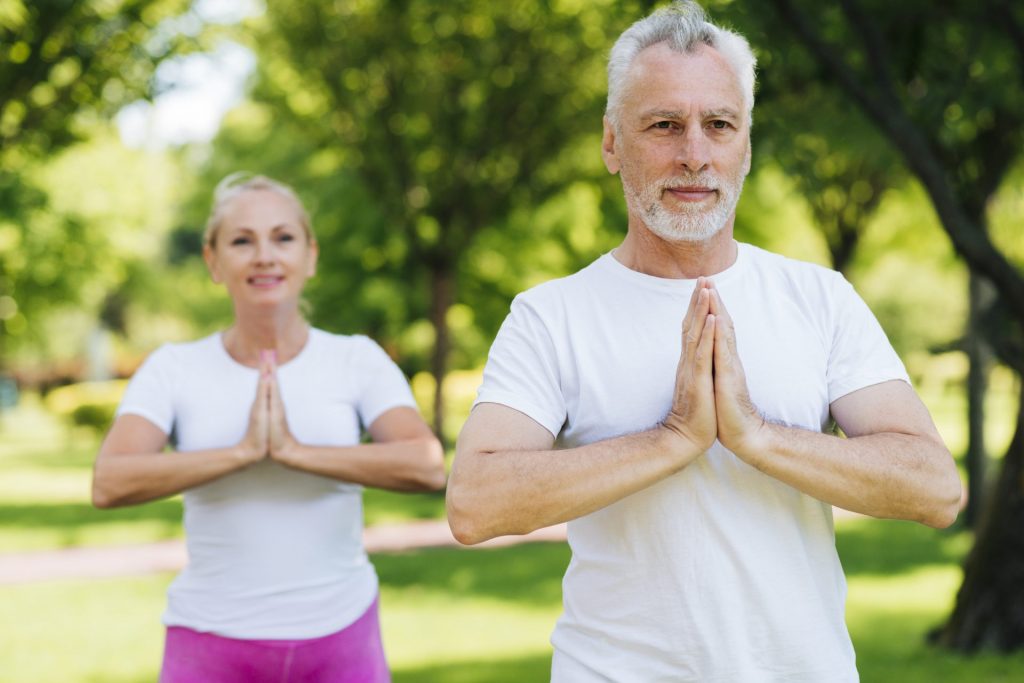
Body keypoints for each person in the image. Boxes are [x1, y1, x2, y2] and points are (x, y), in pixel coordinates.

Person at [446, 2, 962, 681]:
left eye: (719, 124)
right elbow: (475, 502)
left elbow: (936, 488)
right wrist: (672, 439)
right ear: (611, 143)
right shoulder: (551, 316)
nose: (694, 153)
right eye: (663, 124)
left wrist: (757, 436)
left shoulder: (819, 298)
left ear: (745, 144)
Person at [92, 173, 446, 683]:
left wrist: (295, 451)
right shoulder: (173, 368)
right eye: (242, 241)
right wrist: (241, 452)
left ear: (311, 255)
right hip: (210, 640)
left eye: (283, 238)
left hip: (341, 635)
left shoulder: (356, 360)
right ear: (213, 260)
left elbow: (427, 465)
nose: (264, 256)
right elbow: (110, 480)